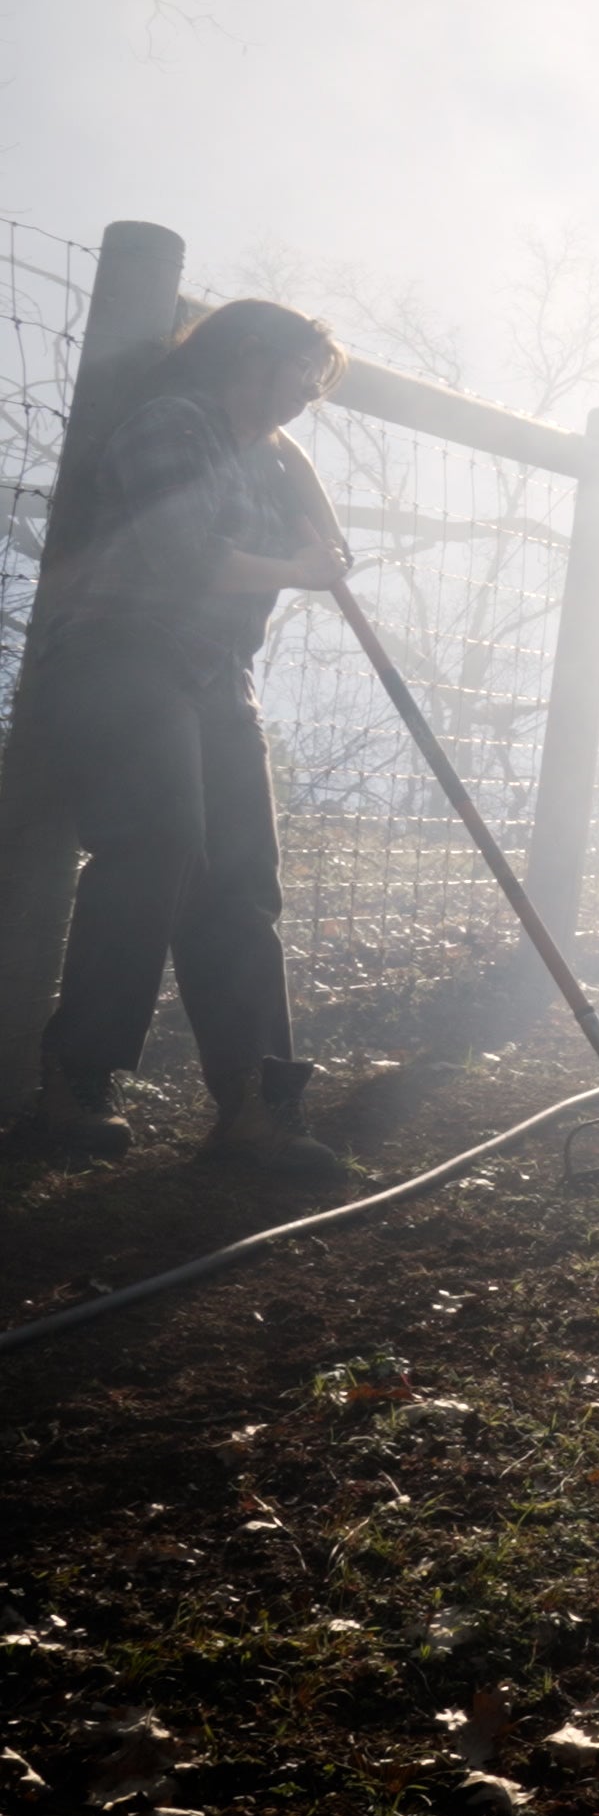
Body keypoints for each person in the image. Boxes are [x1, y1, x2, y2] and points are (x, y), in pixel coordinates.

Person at [2, 300, 348, 1174]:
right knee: (159, 844)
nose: (312, 390)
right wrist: (297, 571)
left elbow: (328, 545)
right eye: (303, 369)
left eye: (320, 378)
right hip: (122, 651)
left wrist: (293, 467)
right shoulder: (171, 423)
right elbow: (181, 554)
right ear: (251, 355)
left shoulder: (266, 460)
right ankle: (76, 1084)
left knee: (243, 881)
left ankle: (255, 1105)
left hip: (215, 675)